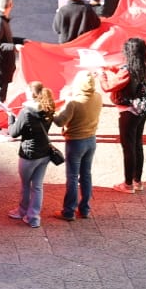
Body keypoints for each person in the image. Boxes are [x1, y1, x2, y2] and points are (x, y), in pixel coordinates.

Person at [97, 37, 146, 194]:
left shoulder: (128, 70)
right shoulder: (141, 65)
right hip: (140, 110)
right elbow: (124, 72)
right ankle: (137, 181)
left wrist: (102, 74)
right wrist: (112, 69)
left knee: (128, 148)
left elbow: (108, 87)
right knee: (137, 144)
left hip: (128, 112)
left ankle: (127, 184)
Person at [52, 71, 102, 220]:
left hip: (75, 142)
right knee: (86, 175)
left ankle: (69, 211)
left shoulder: (74, 102)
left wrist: (56, 110)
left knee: (72, 177)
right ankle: (85, 209)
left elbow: (59, 122)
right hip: (91, 140)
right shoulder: (98, 97)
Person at [7, 81, 56, 228]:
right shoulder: (48, 108)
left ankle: (22, 211)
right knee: (37, 186)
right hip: (45, 153)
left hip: (29, 155)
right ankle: (34, 217)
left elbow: (13, 132)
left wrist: (10, 116)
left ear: (31, 94)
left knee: (26, 185)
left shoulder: (26, 112)